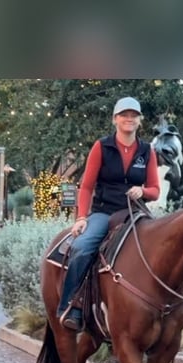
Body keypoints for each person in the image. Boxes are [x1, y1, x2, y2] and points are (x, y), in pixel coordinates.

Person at [58, 96, 160, 331]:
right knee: (82, 248)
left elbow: (155, 190)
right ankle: (71, 305)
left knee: (171, 244)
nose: (129, 119)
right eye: (124, 115)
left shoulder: (147, 150)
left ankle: (175, 309)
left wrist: (142, 190)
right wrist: (82, 218)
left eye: (134, 115)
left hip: (135, 213)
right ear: (115, 119)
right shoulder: (102, 146)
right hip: (105, 212)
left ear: (139, 120)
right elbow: (86, 187)